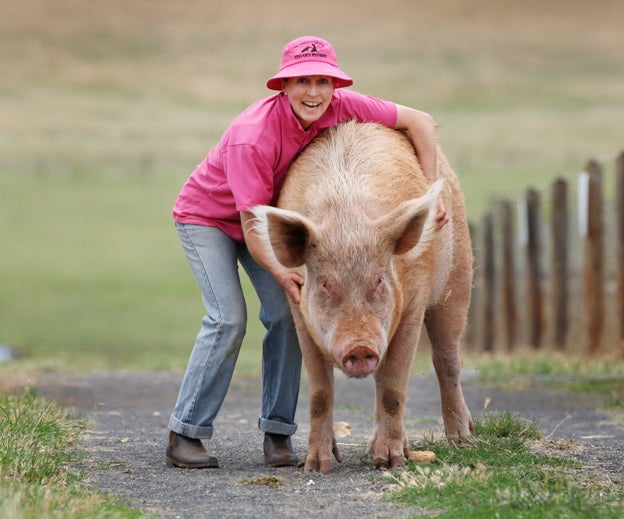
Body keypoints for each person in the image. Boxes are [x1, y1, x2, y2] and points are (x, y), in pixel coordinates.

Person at [165, 35, 447, 469]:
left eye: (322, 81)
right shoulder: (251, 137)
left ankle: (278, 435)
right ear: (282, 86)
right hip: (212, 220)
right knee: (228, 319)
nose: (313, 93)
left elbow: (420, 121)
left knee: (288, 312)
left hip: (273, 223)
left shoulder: (340, 105)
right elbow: (250, 225)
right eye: (301, 82)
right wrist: (285, 275)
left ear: (335, 86)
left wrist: (433, 190)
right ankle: (185, 432)